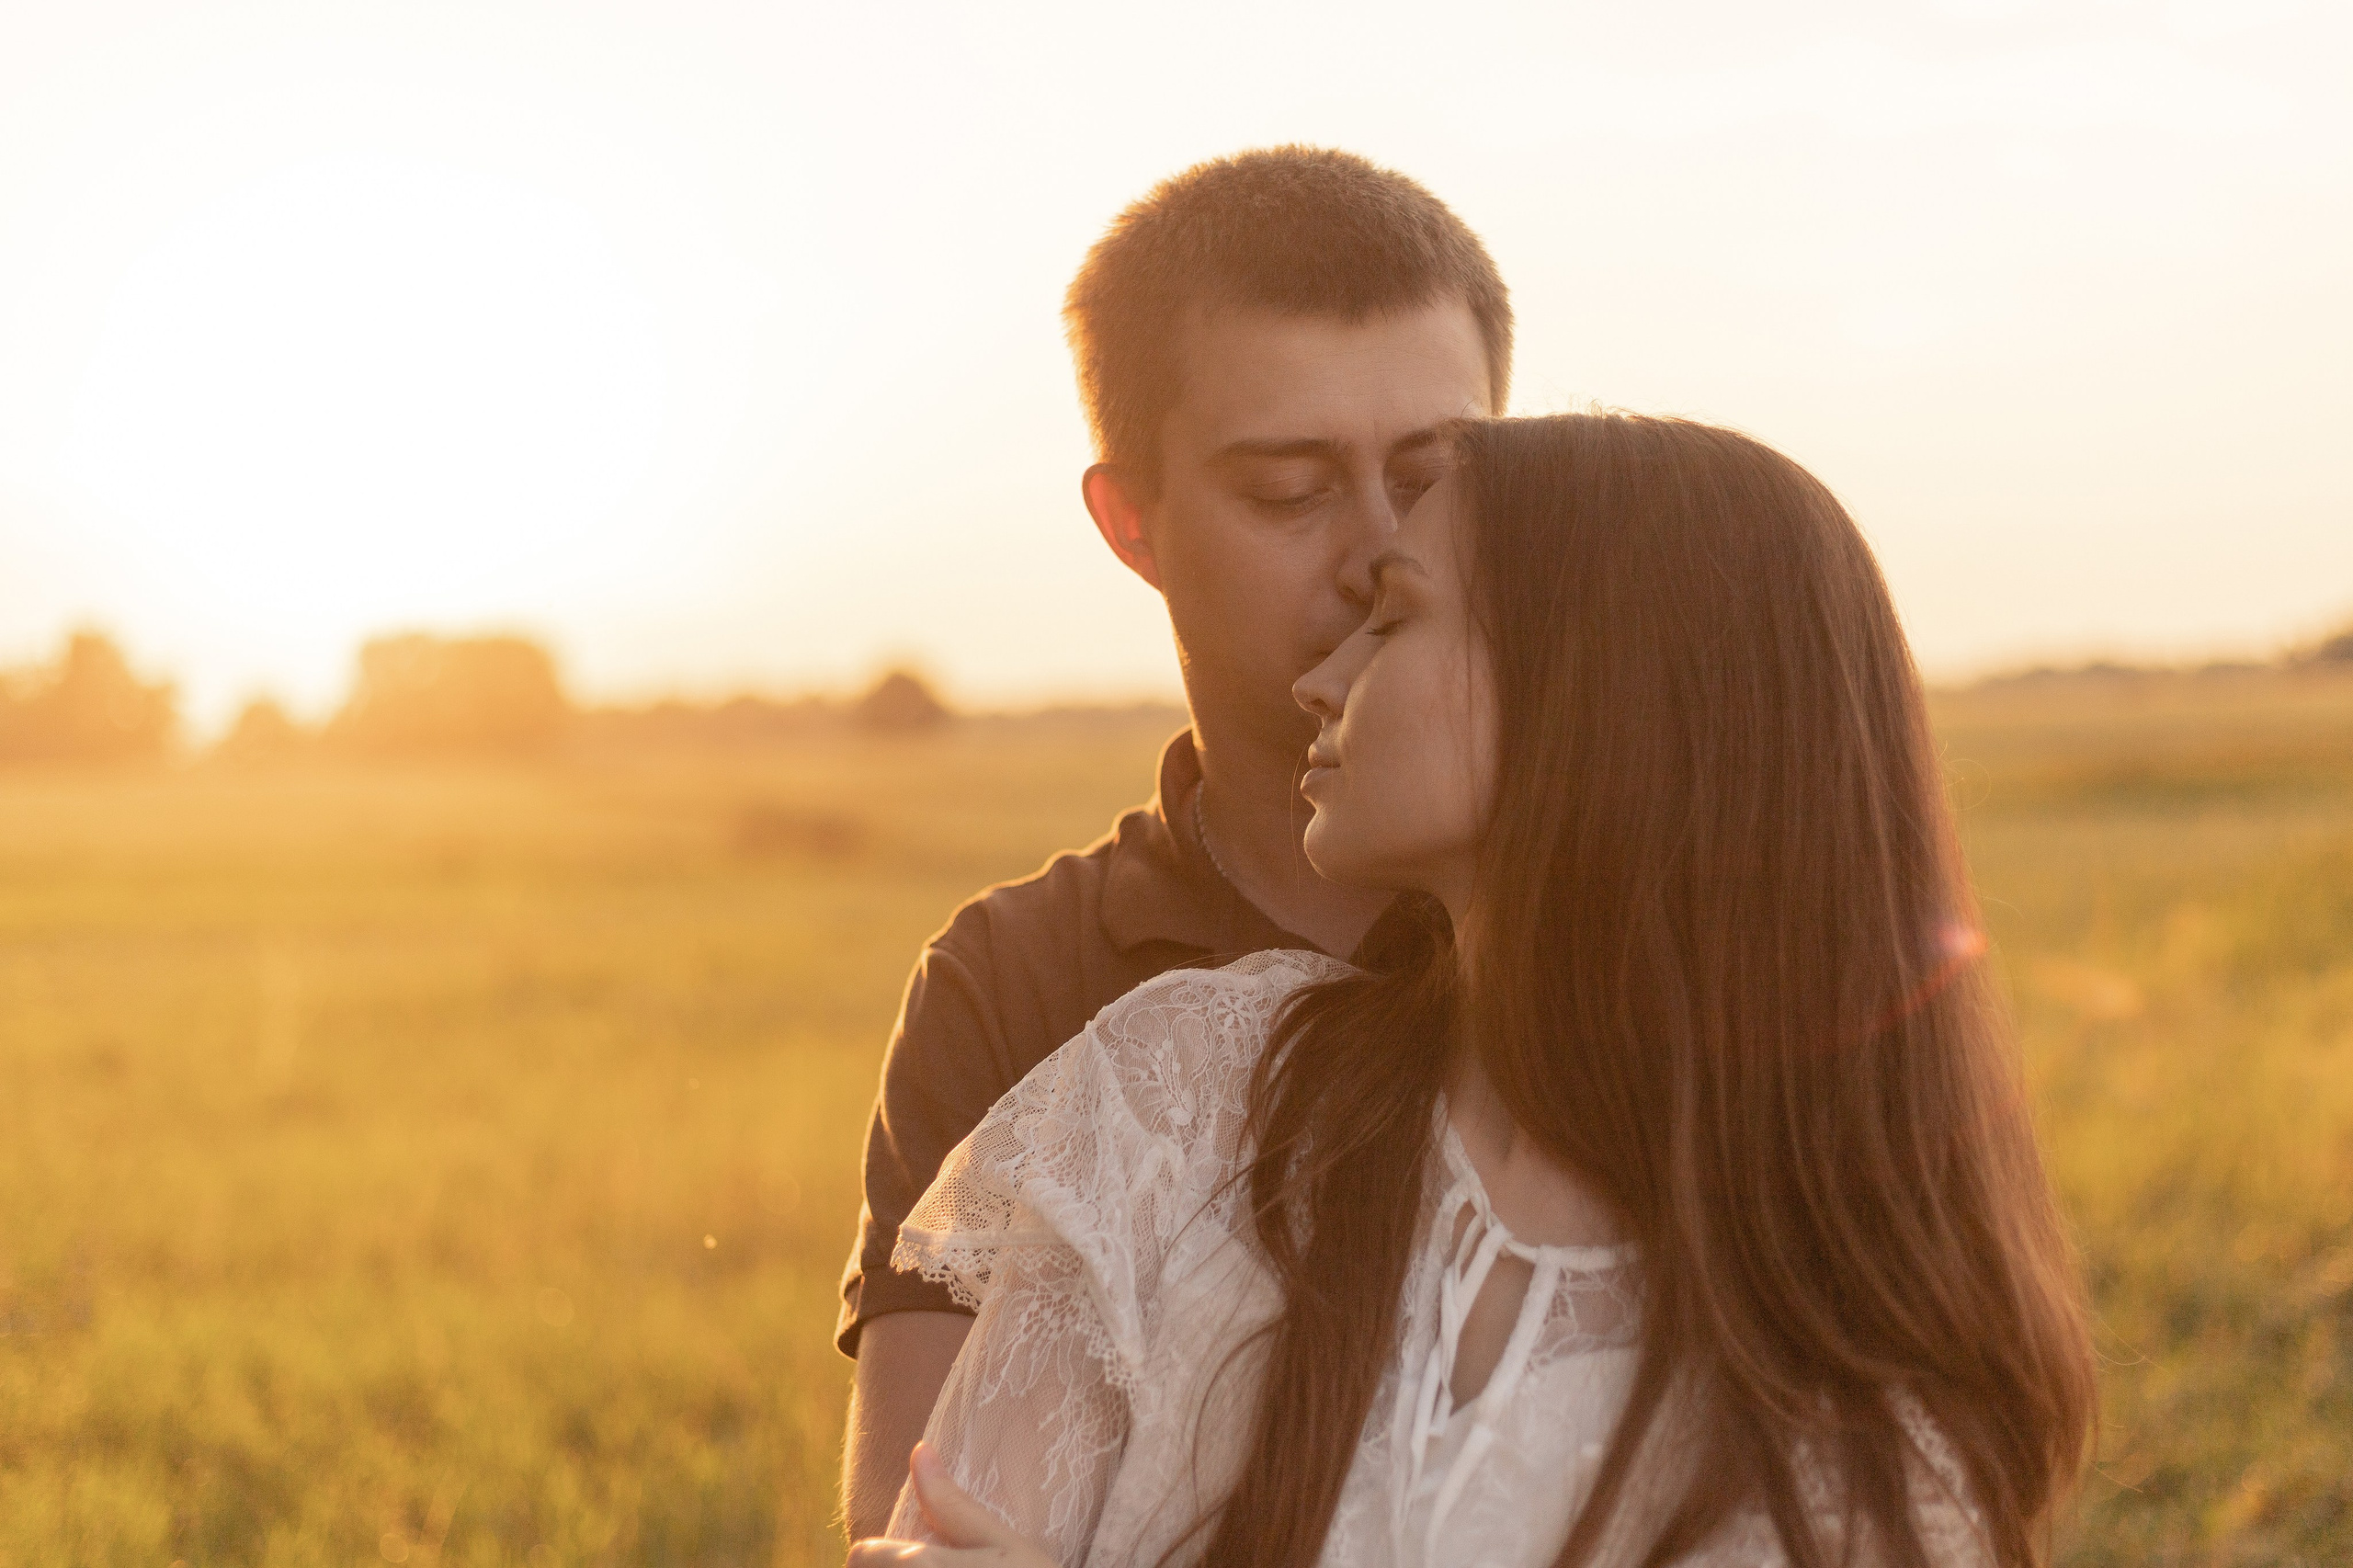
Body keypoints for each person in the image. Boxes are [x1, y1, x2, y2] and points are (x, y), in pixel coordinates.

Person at [848, 413, 2097, 1566]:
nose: (1319, 679)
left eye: (1392, 619)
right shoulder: (1172, 1095)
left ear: (1599, 692)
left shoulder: (1864, 1427)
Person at [835, 145, 1512, 1540]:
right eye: (1290, 490)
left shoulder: (1650, 914)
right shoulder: (1020, 978)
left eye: (1437, 477)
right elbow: (921, 1523)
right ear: (1130, 522)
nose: (1381, 553)